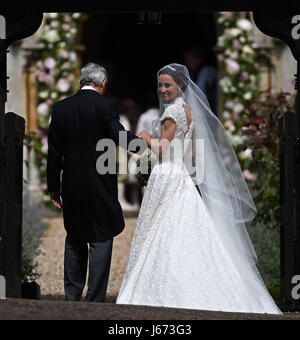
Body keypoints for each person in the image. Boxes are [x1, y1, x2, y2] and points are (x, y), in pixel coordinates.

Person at [116, 64, 282, 314]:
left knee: (162, 229)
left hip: (167, 175)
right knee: (183, 227)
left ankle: (165, 288)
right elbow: (191, 152)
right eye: (160, 85)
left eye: (168, 85)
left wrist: (144, 138)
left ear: (180, 85)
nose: (163, 89)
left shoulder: (173, 112)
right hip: (179, 174)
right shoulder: (189, 111)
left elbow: (161, 148)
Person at [47, 62, 146, 302]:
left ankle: (72, 295)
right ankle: (95, 299)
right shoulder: (106, 105)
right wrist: (142, 145)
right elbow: (117, 135)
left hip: (71, 182)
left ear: (81, 81)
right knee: (101, 235)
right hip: (100, 181)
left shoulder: (60, 108)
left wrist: (53, 187)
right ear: (103, 84)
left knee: (75, 235)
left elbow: (54, 152)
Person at [184, 45, 219, 116]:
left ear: (194, 58)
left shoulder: (206, 71)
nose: (187, 62)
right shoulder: (195, 72)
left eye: (188, 58)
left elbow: (199, 93)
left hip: (207, 112)